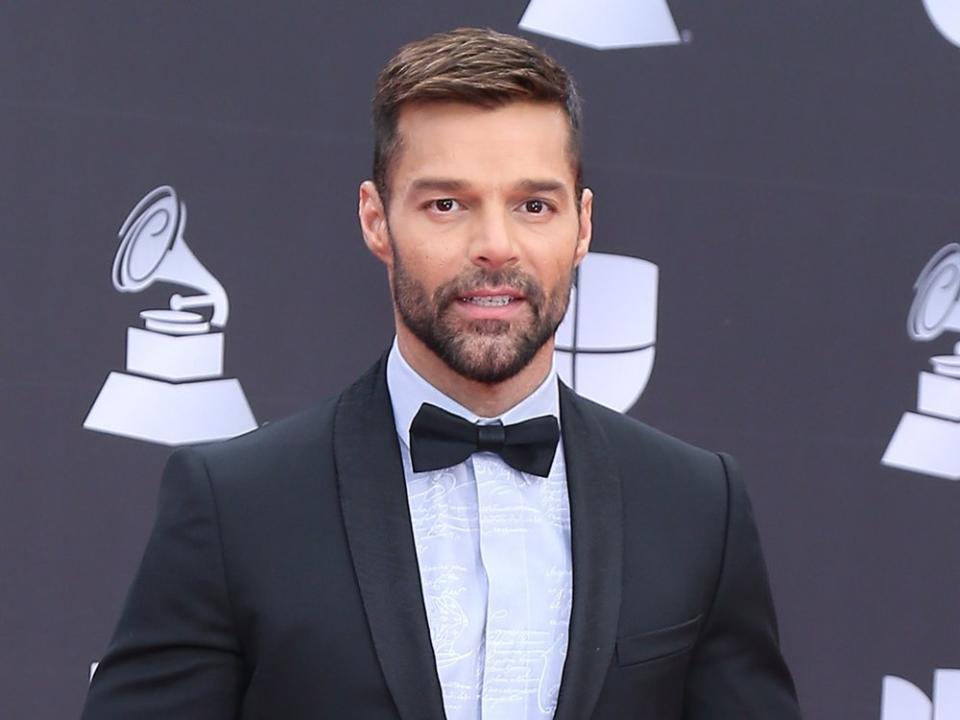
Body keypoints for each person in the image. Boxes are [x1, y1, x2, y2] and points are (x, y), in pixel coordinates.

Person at [82, 27, 802, 720]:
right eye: (447, 204)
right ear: (376, 219)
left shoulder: (698, 507)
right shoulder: (235, 508)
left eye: (533, 205)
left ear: (581, 226)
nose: (495, 245)